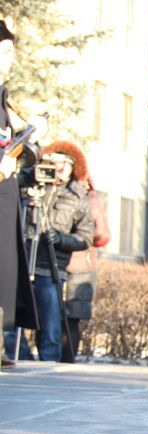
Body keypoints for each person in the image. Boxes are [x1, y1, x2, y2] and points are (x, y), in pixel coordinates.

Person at [18, 141, 94, 362]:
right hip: (23, 262)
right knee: (12, 323)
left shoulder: (76, 196)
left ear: (73, 167)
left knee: (50, 325)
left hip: (50, 268)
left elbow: (85, 237)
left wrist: (60, 239)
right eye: (54, 163)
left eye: (64, 164)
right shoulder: (31, 186)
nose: (58, 168)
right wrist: (32, 169)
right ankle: (20, 358)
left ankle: (49, 363)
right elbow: (11, 184)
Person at [0, 20, 37, 368]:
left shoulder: (3, 98)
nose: (11, 58)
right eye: (5, 50)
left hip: (5, 192)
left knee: (5, 267)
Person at [60, 174, 110, 362]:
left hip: (81, 265)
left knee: (71, 319)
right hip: (57, 262)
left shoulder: (90, 201)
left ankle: (67, 360)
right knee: (54, 318)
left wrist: (80, 234)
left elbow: (103, 235)